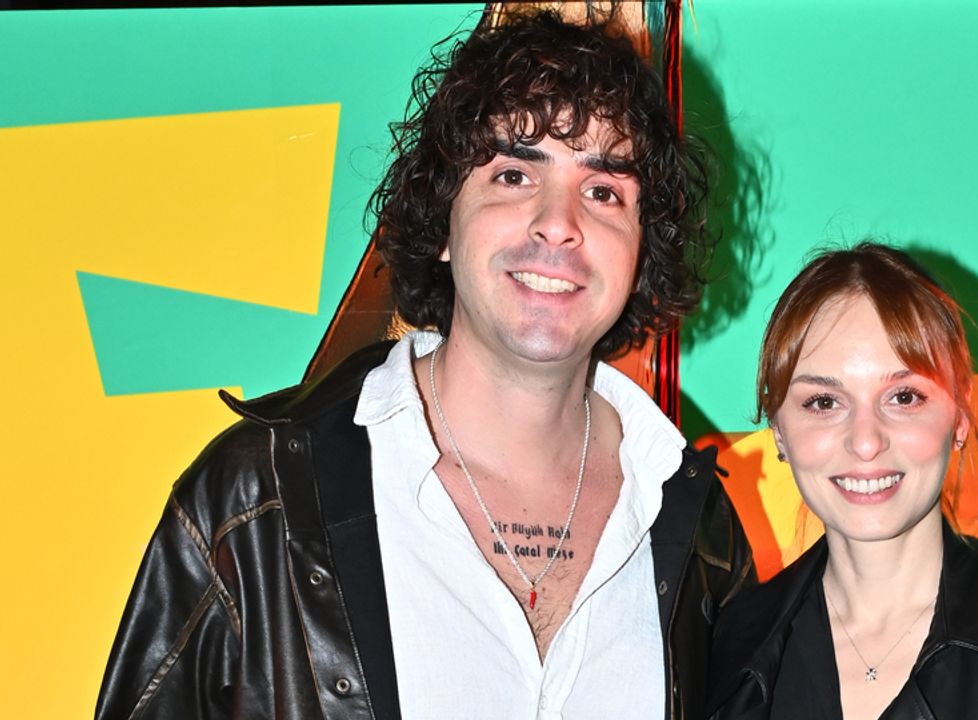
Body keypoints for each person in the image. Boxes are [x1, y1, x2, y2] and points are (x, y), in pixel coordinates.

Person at [96, 11, 753, 720]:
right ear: (443, 221)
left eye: (603, 192)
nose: (559, 224)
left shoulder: (698, 525)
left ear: (640, 247)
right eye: (513, 174)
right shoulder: (257, 498)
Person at [704, 242, 978, 719]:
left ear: (959, 415)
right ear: (779, 430)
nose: (866, 441)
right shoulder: (720, 655)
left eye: (903, 397)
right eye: (824, 402)